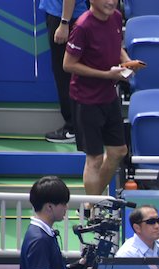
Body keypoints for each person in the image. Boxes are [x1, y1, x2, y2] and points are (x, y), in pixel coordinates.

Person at [63, 0, 136, 197]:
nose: (111, 2)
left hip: (108, 96)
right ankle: (93, 211)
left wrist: (126, 61)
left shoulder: (116, 17)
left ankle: (91, 202)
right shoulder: (82, 26)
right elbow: (68, 64)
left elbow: (117, 45)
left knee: (118, 151)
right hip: (85, 100)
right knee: (94, 158)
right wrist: (106, 75)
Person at [42, 0, 88, 143]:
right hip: (63, 16)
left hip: (65, 18)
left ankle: (73, 129)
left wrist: (64, 23)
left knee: (65, 75)